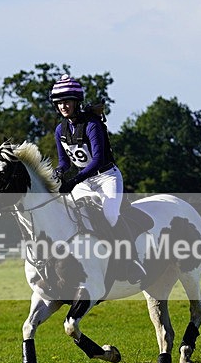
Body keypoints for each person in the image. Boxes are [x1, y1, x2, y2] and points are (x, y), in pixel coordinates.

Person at [50, 74, 146, 283]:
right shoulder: (61, 129)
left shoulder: (92, 124)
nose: (63, 106)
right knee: (69, 214)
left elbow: (97, 160)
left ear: (77, 102)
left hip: (106, 178)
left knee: (110, 216)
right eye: (59, 103)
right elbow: (64, 161)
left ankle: (132, 261)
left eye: (67, 101)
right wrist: (58, 172)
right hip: (84, 181)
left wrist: (74, 181)